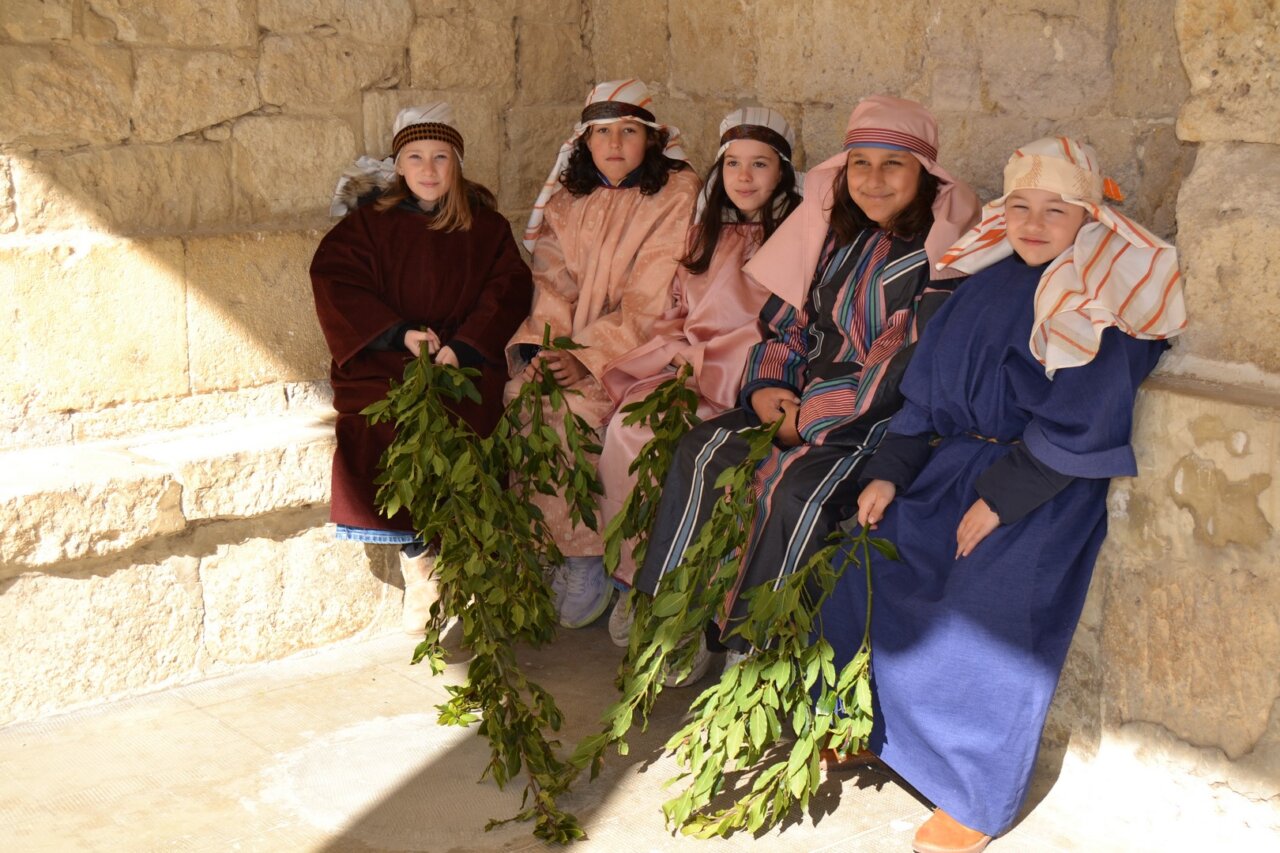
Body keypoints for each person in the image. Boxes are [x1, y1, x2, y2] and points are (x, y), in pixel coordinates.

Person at [819, 137, 1187, 853]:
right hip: (950, 468)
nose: (1033, 222)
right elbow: (921, 402)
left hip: (1042, 482)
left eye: (1056, 209)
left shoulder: (1095, 300)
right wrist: (891, 470)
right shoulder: (979, 284)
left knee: (983, 615)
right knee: (866, 561)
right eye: (1020, 206)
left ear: (1091, 218)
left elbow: (1085, 417)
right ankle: (869, 727)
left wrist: (1001, 499)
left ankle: (972, 795)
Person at [631, 95, 981, 679]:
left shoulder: (936, 262)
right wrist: (768, 389)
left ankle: (754, 644)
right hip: (794, 403)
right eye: (860, 164)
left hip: (873, 428)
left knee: (794, 489)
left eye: (893, 165)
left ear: (925, 177)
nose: (873, 180)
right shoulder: (836, 240)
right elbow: (790, 323)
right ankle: (681, 613)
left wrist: (808, 420)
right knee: (702, 451)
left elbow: (898, 367)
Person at [311, 103, 533, 636]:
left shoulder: (487, 227)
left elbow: (508, 289)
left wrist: (467, 344)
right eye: (415, 157)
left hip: (463, 357)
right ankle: (420, 560)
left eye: (440, 157)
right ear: (399, 164)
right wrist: (400, 333)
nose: (428, 169)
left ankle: (466, 553)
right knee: (385, 422)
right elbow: (336, 281)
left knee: (467, 418)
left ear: (456, 163)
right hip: (388, 355)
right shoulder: (369, 226)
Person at [598, 107, 804, 645]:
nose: (744, 177)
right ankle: (631, 579)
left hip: (747, 379)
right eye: (733, 163)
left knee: (698, 458)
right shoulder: (704, 233)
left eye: (759, 164)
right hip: (688, 364)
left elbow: (786, 329)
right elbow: (675, 306)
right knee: (628, 431)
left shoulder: (798, 242)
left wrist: (714, 364)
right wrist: (674, 349)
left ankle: (690, 596)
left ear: (782, 172)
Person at [505, 79, 700, 629]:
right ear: (585, 143)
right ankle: (566, 552)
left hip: (642, 348)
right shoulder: (567, 202)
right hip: (571, 343)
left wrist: (587, 356)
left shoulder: (677, 194)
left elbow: (653, 294)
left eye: (630, 131)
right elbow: (552, 283)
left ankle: (596, 560)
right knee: (526, 397)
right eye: (603, 132)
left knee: (578, 411)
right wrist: (549, 350)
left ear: (652, 141)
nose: (615, 143)